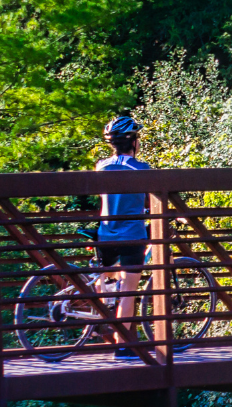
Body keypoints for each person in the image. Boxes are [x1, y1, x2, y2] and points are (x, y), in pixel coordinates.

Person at [96, 115, 154, 360]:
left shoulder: (101, 166)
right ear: (134, 142)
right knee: (128, 291)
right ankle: (124, 347)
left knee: (106, 277)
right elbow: (153, 198)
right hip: (131, 234)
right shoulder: (142, 169)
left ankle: (101, 313)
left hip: (105, 233)